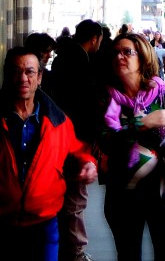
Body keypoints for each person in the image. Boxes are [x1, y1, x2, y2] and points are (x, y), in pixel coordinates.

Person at [0, 46, 97, 261]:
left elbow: (76, 149)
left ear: (39, 77)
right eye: (15, 71)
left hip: (45, 224)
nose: (23, 78)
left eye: (29, 72)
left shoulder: (58, 122)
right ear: (6, 75)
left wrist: (87, 162)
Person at [99, 31, 165, 261]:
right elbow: (105, 138)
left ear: (143, 57)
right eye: (115, 52)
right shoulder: (106, 98)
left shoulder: (164, 94)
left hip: (162, 189)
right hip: (123, 190)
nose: (120, 57)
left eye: (127, 52)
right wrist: (142, 123)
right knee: (128, 254)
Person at [49, 18, 104, 261]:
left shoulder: (63, 58)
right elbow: (85, 104)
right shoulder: (82, 62)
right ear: (94, 39)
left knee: (66, 193)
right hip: (76, 137)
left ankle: (66, 247)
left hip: (62, 133)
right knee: (75, 197)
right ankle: (74, 252)